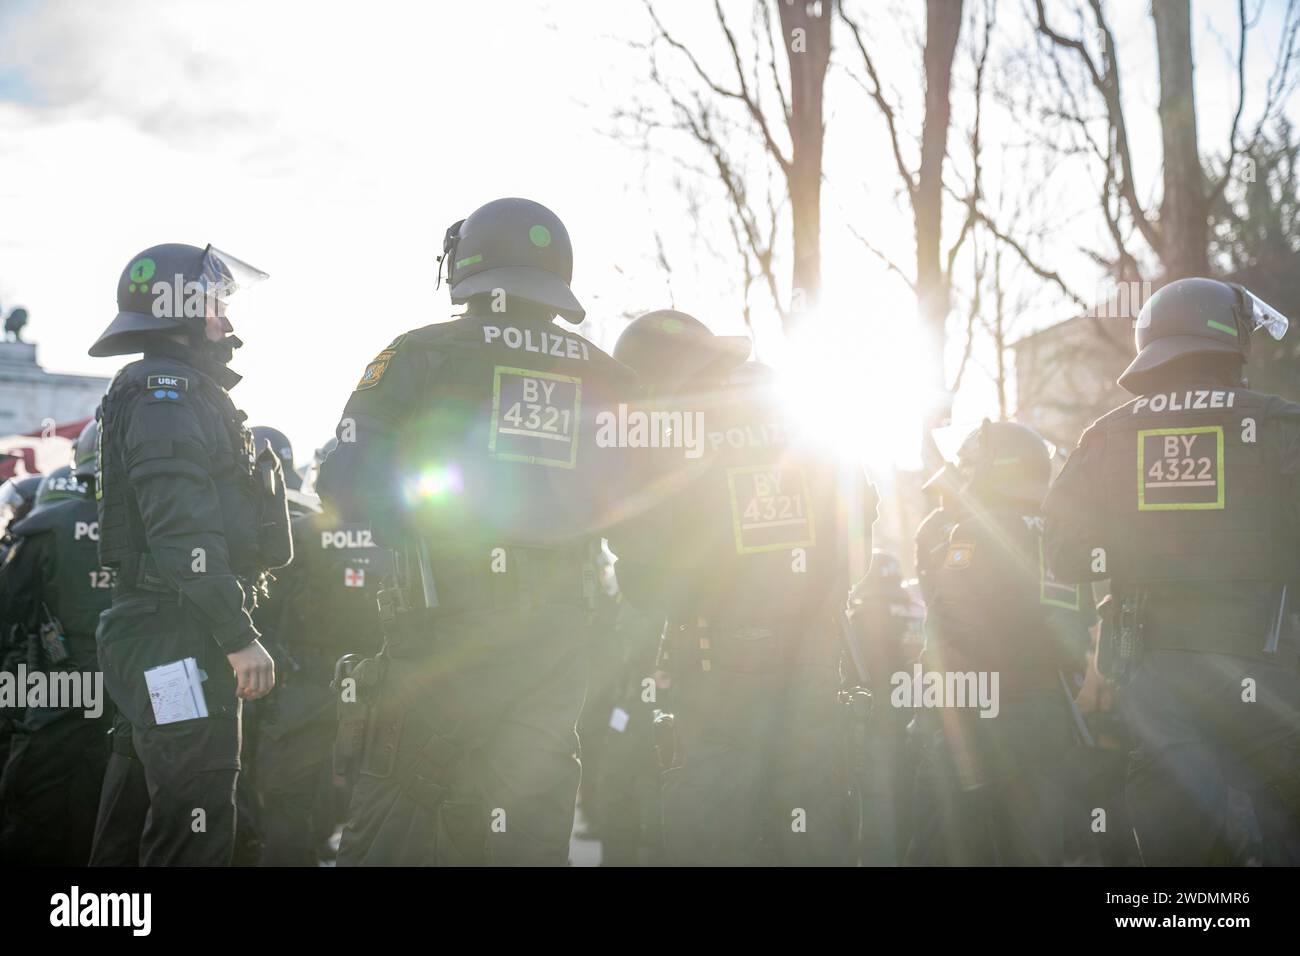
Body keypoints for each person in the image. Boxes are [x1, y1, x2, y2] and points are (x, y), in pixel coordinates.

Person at [318, 197, 641, 866]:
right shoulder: (608, 376)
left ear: (468, 266)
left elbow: (343, 483)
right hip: (555, 654)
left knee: (399, 828)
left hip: (438, 644)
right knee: (523, 832)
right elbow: (645, 512)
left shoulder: (418, 355)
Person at [1044, 276, 1300, 865]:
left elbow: (1060, 554)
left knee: (1176, 867)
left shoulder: (1105, 438)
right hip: (1269, 680)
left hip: (1161, 688)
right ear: (1228, 340)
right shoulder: (1280, 425)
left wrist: (1134, 548)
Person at [608, 309, 876, 865]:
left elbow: (638, 553)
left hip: (714, 668)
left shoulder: (667, 429)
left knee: (711, 823)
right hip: (813, 655)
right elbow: (860, 502)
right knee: (814, 814)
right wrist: (826, 592)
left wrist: (681, 605)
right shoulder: (789, 403)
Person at [87, 242, 291, 866]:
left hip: (166, 630)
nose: (228, 320)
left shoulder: (173, 390)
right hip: (179, 633)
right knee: (192, 823)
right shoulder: (164, 393)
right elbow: (182, 529)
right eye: (216, 304)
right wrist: (237, 634)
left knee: (137, 811)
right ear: (181, 310)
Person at [906, 420, 1089, 866]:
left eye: (968, 466)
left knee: (945, 847)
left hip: (985, 715)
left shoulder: (974, 532)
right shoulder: (1056, 532)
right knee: (1033, 850)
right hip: (1048, 711)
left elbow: (954, 618)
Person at [253, 448, 393, 866]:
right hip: (382, 682)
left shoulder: (299, 534)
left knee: (287, 794)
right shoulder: (401, 537)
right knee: (382, 793)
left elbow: (267, 613)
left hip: (307, 682)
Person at [0, 431, 114, 865]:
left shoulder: (45, 528)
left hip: (60, 683)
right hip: (142, 684)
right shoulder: (163, 527)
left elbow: (10, 610)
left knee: (35, 793)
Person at [845, 549, 924, 865]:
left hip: (877, 724)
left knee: (879, 808)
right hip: (919, 719)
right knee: (912, 803)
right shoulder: (917, 611)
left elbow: (848, 673)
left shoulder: (862, 617)